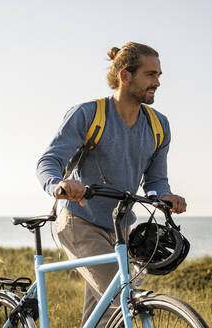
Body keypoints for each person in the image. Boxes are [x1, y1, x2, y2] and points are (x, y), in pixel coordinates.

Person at [36, 42, 187, 327]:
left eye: (159, 75)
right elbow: (49, 160)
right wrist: (58, 184)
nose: (157, 82)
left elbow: (155, 180)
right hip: (80, 221)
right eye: (150, 74)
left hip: (121, 229)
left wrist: (165, 196)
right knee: (124, 299)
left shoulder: (158, 125)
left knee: (105, 315)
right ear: (125, 76)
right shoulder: (88, 114)